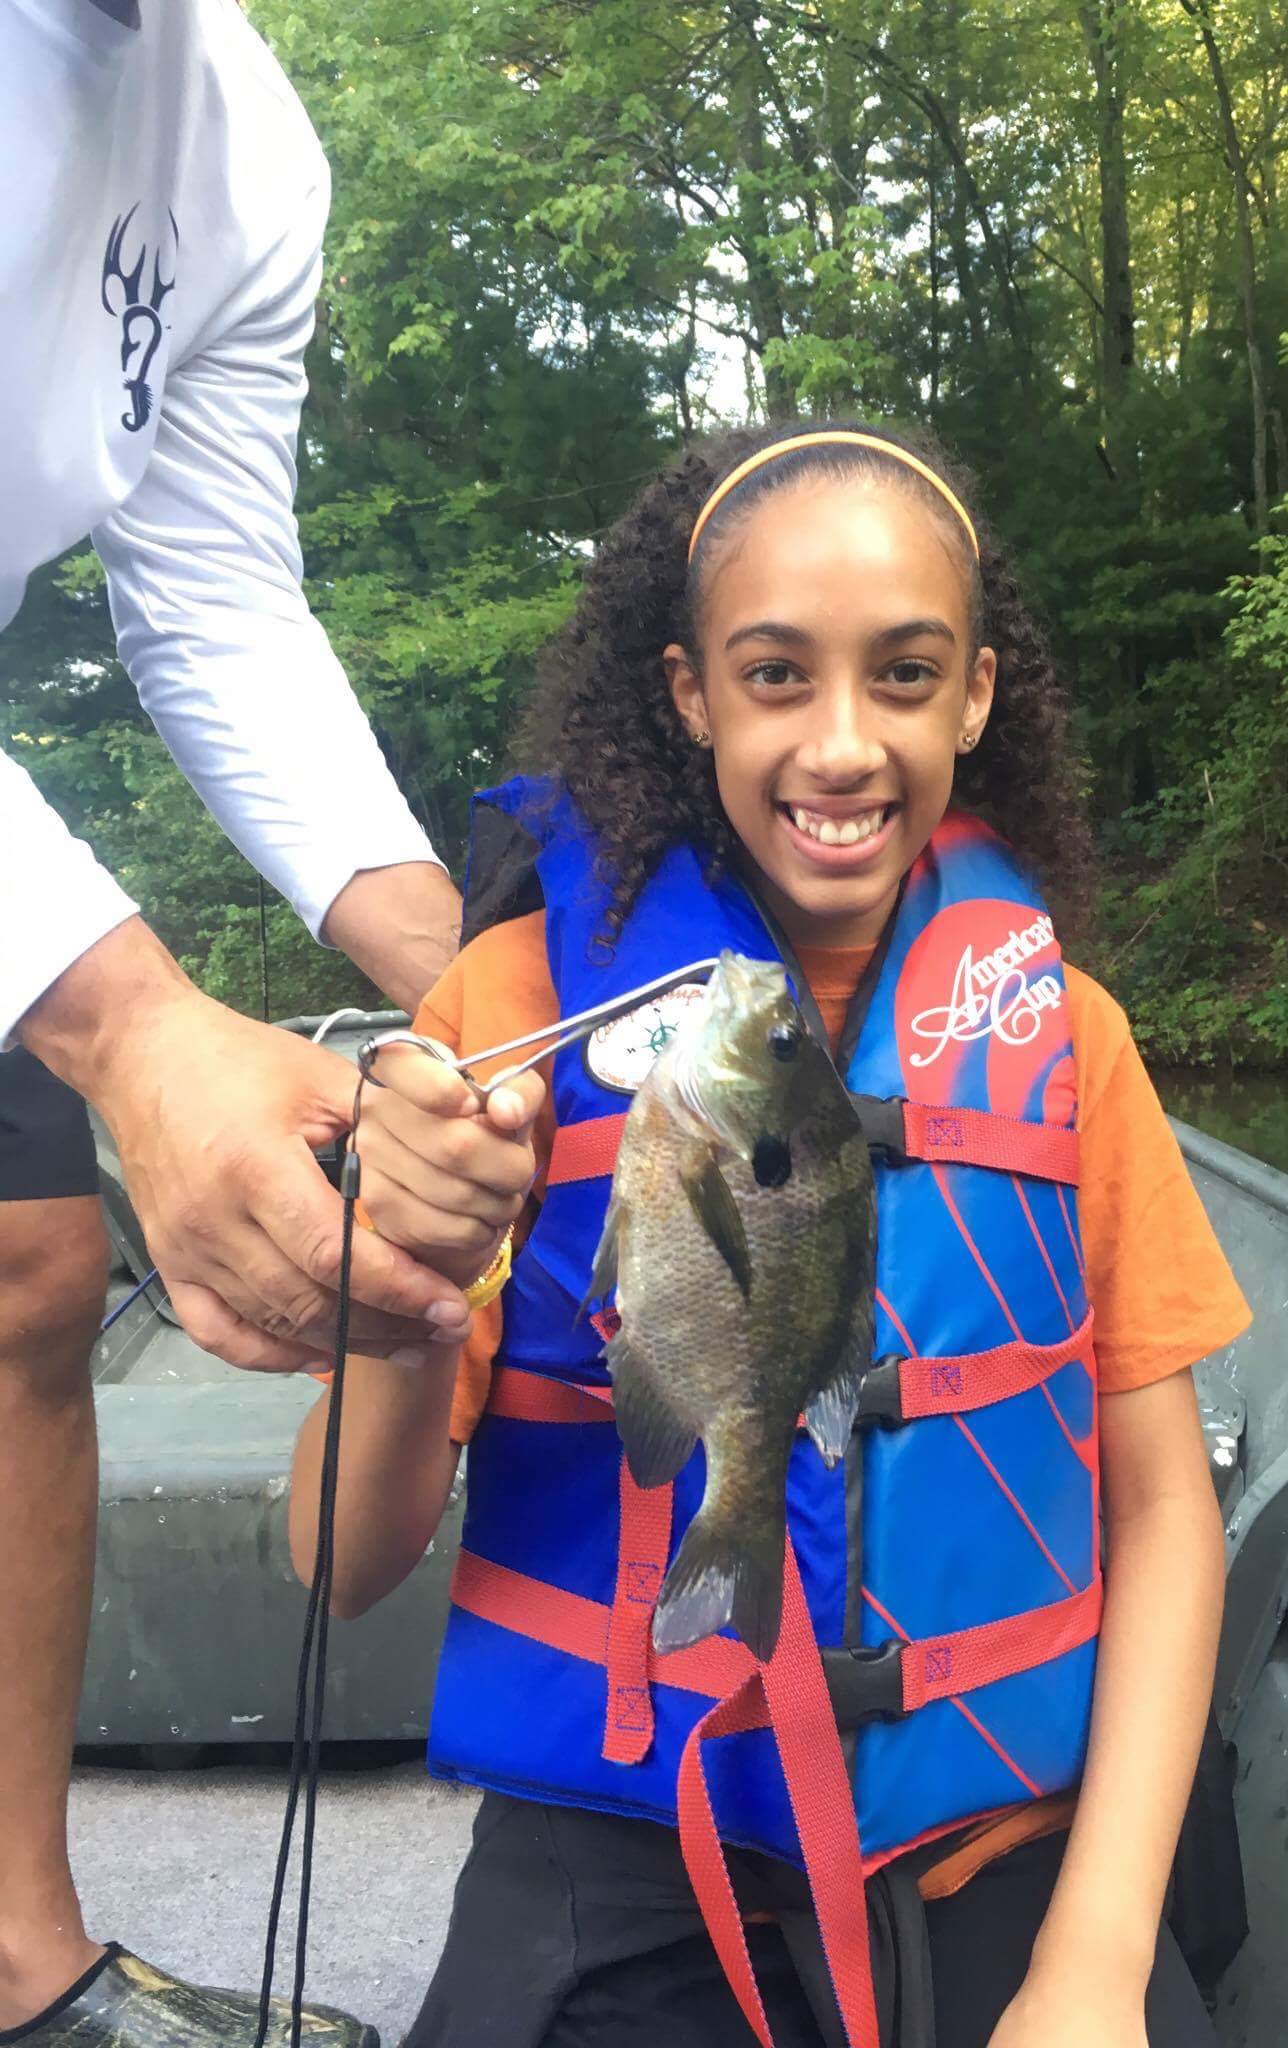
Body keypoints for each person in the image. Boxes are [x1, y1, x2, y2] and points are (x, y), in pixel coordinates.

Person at [290, 423, 1253, 2048]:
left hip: (1001, 1848)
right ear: (690, 696)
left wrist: (1096, 1962)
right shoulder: (505, 1020)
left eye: (905, 676)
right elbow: (340, 1563)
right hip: (626, 1836)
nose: (843, 744)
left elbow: (1166, 1512)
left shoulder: (1068, 1040)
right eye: (777, 676)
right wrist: (403, 1288)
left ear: (976, 699)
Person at [0, 1, 485, 2040]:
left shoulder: (252, 156)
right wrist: (131, 1027)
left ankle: (16, 1968)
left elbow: (209, 594)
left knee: (34, 1272)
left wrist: (480, 983)